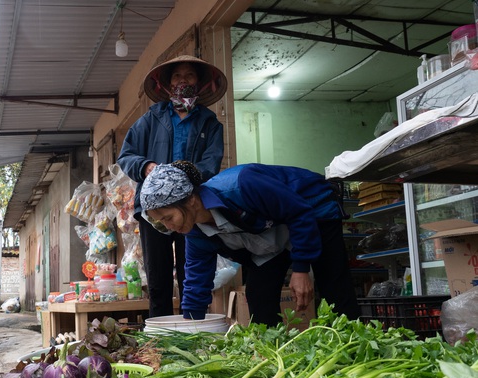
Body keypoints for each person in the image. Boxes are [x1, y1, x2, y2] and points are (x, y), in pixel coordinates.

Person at [139, 161, 361, 326]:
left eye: (168, 218)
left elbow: (299, 212)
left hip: (312, 210)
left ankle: (352, 349)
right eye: (161, 223)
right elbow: (196, 282)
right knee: (258, 295)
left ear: (190, 200)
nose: (168, 227)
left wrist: (301, 268)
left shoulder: (242, 185)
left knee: (333, 286)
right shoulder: (196, 234)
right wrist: (190, 328)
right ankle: (272, 357)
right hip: (270, 232)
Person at [117, 55, 227, 317]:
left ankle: (193, 327)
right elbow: (126, 156)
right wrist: (147, 167)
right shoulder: (151, 119)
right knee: (158, 278)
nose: (183, 81)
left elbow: (211, 162)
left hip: (190, 206)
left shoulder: (209, 122)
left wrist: (185, 174)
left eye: (189, 76)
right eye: (177, 76)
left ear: (199, 82)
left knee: (193, 274)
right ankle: (160, 335)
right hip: (154, 210)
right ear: (168, 84)